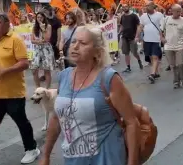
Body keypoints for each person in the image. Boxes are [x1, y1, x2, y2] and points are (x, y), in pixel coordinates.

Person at [39, 26, 139, 165]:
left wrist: (132, 162)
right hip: (73, 160)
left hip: (107, 158)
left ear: (97, 52)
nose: (75, 46)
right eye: (73, 41)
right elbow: (56, 119)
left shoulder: (109, 78)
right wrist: (46, 155)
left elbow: (131, 122)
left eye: (83, 43)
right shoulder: (64, 76)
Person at [0, 13, 39, 164]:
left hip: (13, 92)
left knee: (21, 122)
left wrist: (4, 71)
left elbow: (24, 63)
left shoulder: (15, 39)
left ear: (6, 24)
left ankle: (31, 149)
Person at [161, 4, 183, 89]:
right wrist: (162, 38)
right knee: (173, 66)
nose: (179, 13)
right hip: (168, 46)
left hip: (180, 45)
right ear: (172, 11)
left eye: (180, 11)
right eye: (177, 11)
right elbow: (161, 30)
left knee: (180, 64)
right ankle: (176, 81)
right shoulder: (166, 19)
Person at [136, 2, 164, 83]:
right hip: (147, 39)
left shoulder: (159, 15)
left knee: (155, 57)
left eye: (148, 6)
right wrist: (137, 36)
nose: (146, 7)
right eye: (146, 6)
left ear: (153, 6)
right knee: (151, 57)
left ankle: (152, 74)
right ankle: (156, 72)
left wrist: (162, 37)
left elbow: (162, 27)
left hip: (156, 39)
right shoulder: (143, 16)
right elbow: (140, 26)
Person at [30, 12, 54, 89]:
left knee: (46, 70)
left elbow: (47, 39)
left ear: (44, 18)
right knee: (34, 69)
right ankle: (38, 87)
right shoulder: (34, 27)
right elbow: (32, 40)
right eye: (38, 17)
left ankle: (47, 88)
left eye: (41, 17)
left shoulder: (48, 26)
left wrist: (43, 29)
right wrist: (39, 42)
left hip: (46, 49)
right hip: (37, 49)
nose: (39, 19)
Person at [119, 4, 143, 72]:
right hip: (124, 37)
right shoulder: (122, 16)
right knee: (126, 53)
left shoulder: (134, 16)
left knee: (134, 52)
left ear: (128, 7)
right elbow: (121, 26)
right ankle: (128, 67)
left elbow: (138, 26)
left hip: (132, 37)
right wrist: (119, 32)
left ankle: (139, 60)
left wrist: (137, 36)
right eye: (123, 7)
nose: (124, 8)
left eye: (126, 7)